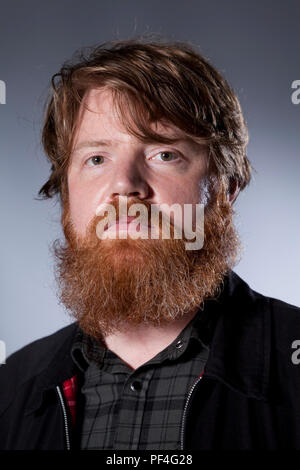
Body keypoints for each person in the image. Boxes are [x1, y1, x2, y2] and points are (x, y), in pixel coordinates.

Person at [0, 37, 299, 451]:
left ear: (226, 188)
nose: (124, 186)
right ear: (68, 197)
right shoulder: (11, 389)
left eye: (164, 154)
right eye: (97, 159)